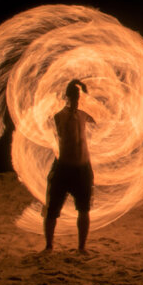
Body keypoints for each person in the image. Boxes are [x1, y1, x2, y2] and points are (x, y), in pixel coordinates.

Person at [44, 79, 96, 253]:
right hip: (63, 168)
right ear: (67, 97)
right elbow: (49, 119)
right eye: (73, 97)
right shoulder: (60, 116)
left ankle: (82, 247)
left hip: (83, 169)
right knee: (52, 210)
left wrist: (86, 90)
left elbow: (102, 118)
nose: (76, 100)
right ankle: (49, 246)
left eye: (78, 97)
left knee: (84, 209)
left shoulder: (83, 115)